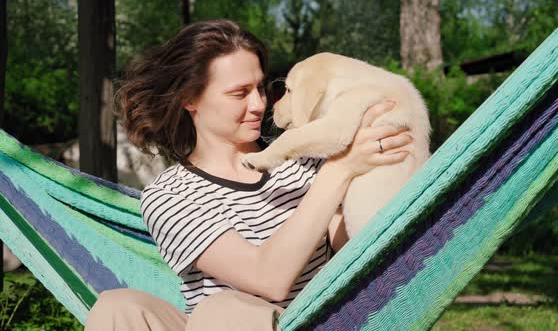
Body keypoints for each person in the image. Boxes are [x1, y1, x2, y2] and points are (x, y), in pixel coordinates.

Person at [84, 19, 412, 331]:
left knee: (221, 311)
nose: (259, 104)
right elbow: (267, 278)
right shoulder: (169, 196)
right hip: (216, 323)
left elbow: (353, 243)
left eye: (260, 87)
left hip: (308, 321)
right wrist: (340, 170)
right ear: (190, 99)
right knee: (118, 307)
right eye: (239, 93)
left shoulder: (304, 156)